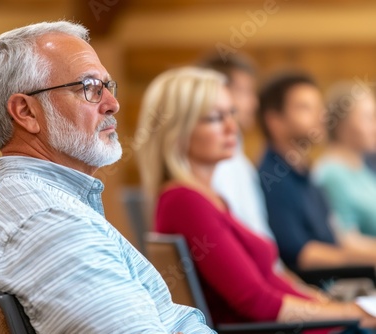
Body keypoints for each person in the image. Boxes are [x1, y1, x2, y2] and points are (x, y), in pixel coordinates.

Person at [0, 21, 213, 333]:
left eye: (108, 87)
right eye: (89, 88)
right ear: (26, 112)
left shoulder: (42, 204)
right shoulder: (49, 222)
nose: (113, 104)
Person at [135, 66, 376, 329]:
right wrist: (350, 312)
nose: (232, 127)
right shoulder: (184, 201)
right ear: (178, 129)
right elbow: (257, 302)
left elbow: (268, 282)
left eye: (232, 114)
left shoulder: (209, 198)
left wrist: (332, 306)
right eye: (215, 118)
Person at [257, 72, 376, 272]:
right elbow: (299, 253)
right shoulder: (273, 178)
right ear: (275, 121)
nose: (320, 115)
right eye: (305, 108)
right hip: (319, 286)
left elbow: (334, 235)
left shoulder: (304, 172)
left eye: (318, 107)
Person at [198, 53, 273, 240]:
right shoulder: (218, 165)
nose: (254, 103)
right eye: (246, 91)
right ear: (220, 92)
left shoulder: (240, 160)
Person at [313, 82, 376, 238]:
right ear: (341, 125)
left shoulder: (362, 165)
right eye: (369, 118)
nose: (375, 127)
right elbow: (346, 240)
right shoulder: (332, 174)